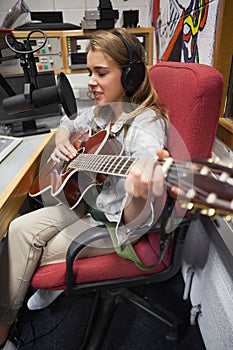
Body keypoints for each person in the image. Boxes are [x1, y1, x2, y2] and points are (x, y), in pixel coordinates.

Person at [0, 28, 169, 349]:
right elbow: (67, 124)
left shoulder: (146, 126)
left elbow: (137, 216)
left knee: (22, 254)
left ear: (131, 77)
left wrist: (140, 190)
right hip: (88, 205)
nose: (91, 80)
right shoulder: (105, 108)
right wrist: (64, 144)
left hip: (116, 225)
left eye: (101, 73)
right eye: (89, 71)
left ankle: (2, 334)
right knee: (18, 229)